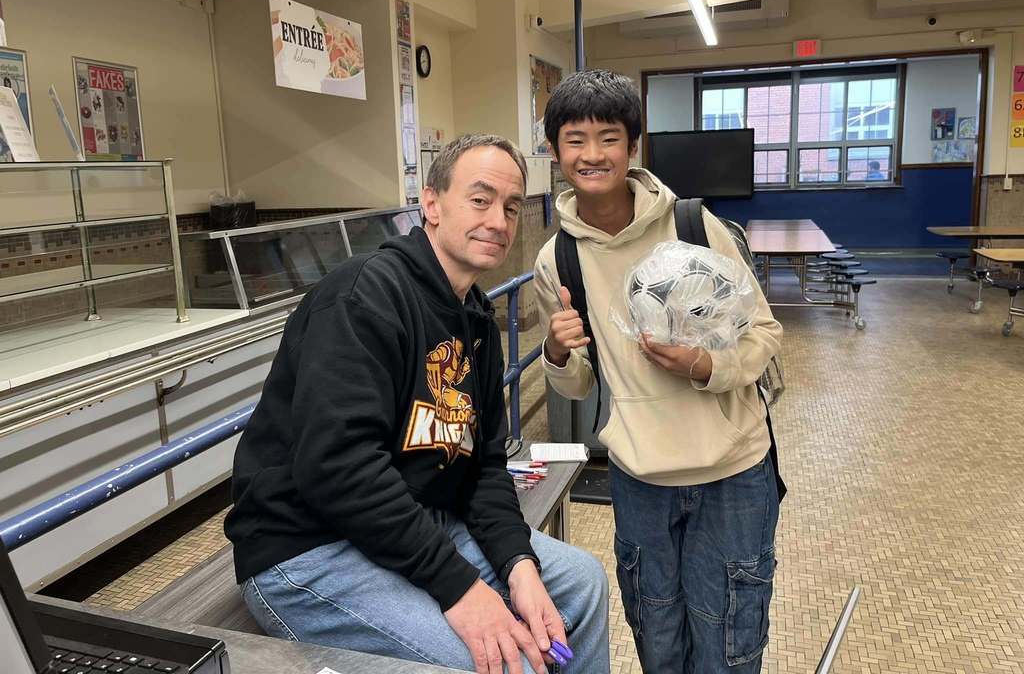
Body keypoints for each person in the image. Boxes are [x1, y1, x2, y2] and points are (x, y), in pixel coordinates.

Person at [225, 133, 609, 674]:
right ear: (430, 204)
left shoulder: (474, 319)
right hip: (309, 548)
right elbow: (339, 469)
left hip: (418, 523)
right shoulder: (365, 298)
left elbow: (485, 465)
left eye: (511, 207)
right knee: (506, 665)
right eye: (479, 200)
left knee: (582, 585)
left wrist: (519, 565)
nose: (498, 221)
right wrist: (462, 589)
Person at [533, 70, 784, 673]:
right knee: (657, 634)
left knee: (728, 638)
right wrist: (558, 352)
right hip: (639, 476)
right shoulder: (557, 258)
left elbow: (765, 335)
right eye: (575, 139)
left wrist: (705, 364)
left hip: (733, 470)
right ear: (554, 150)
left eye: (609, 137)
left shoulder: (697, 227)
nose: (592, 155)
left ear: (633, 145)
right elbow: (576, 384)